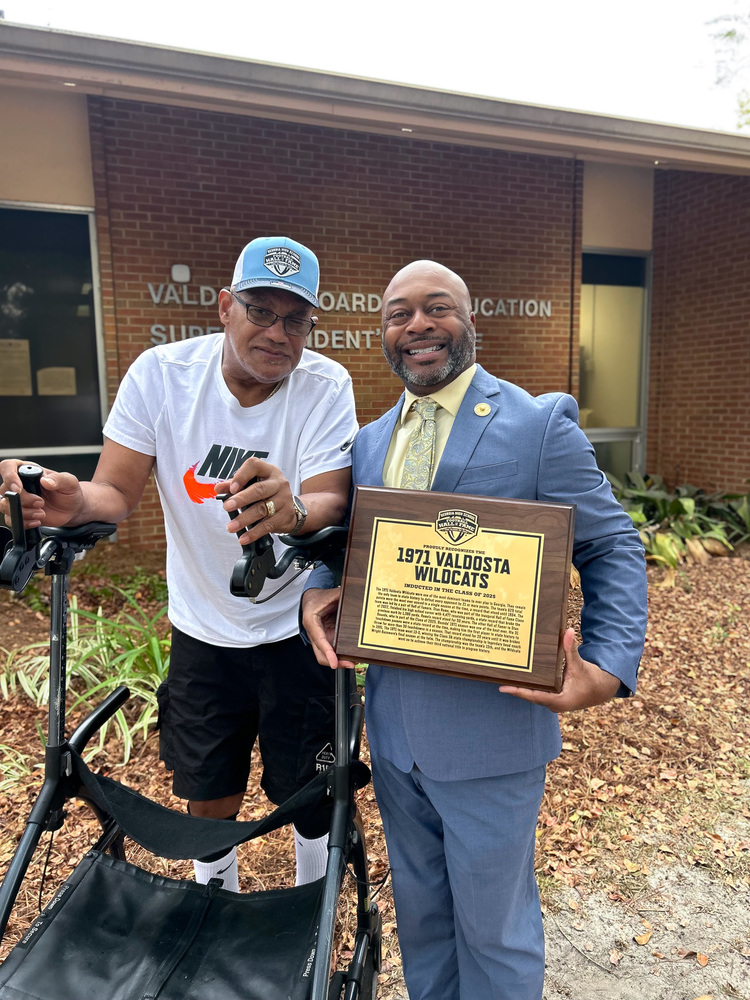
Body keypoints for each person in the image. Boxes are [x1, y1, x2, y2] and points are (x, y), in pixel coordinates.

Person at [301, 259, 647, 1000]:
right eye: (398, 314)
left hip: (492, 735)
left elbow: (612, 544)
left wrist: (608, 667)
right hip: (394, 735)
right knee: (423, 922)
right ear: (383, 333)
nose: (417, 325)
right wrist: (318, 591)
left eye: (437, 308)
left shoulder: (536, 423)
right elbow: (351, 549)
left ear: (470, 323)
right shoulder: (369, 441)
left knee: (494, 931)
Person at [0, 236, 358, 893]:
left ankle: (316, 902)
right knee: (206, 786)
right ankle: (213, 903)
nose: (278, 332)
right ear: (225, 306)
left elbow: (332, 497)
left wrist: (294, 508)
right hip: (202, 628)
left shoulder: (325, 384)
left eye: (296, 319)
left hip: (296, 631)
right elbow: (113, 493)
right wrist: (70, 497)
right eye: (260, 310)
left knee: (311, 785)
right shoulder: (162, 375)